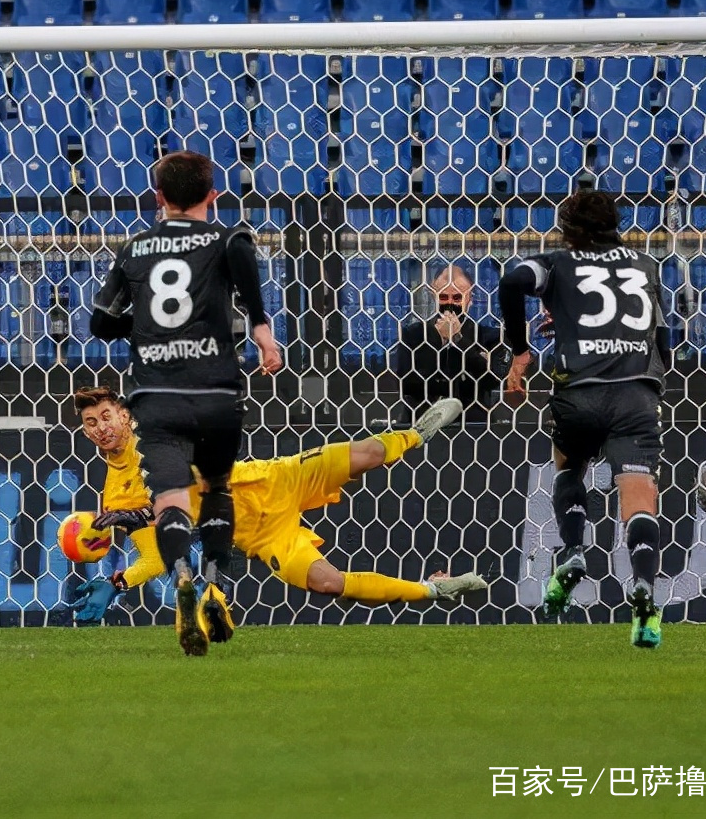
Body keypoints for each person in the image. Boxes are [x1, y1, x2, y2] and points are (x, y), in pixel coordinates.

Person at [66, 386, 486, 626]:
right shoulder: (115, 495)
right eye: (91, 423)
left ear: (125, 415)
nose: (102, 428)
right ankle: (435, 589)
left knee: (368, 455)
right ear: (84, 432)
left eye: (107, 415)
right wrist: (118, 583)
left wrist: (138, 514)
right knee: (328, 583)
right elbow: (156, 557)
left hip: (273, 478)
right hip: (257, 533)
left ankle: (416, 433)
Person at [90, 151, 283, 656]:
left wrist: (144, 328)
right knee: (216, 489)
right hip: (215, 391)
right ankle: (215, 585)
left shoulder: (134, 249)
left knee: (169, 501)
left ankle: (182, 577)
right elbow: (243, 259)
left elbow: (98, 322)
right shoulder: (227, 238)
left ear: (158, 198)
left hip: (157, 396)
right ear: (212, 195)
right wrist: (262, 333)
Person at [499, 189, 669, 649]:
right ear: (616, 222)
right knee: (638, 490)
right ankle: (645, 591)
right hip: (635, 394)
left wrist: (519, 351)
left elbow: (513, 282)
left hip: (578, 393)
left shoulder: (556, 263)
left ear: (569, 228)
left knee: (569, 464)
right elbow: (662, 335)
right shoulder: (645, 266)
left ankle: (574, 551)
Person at [392, 265, 502, 417]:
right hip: (420, 422)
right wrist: (438, 341)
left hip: (474, 426)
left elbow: (492, 381)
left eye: (457, 297)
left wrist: (458, 339)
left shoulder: (487, 336)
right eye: (443, 297)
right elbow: (405, 385)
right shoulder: (412, 335)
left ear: (470, 298)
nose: (449, 304)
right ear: (433, 296)